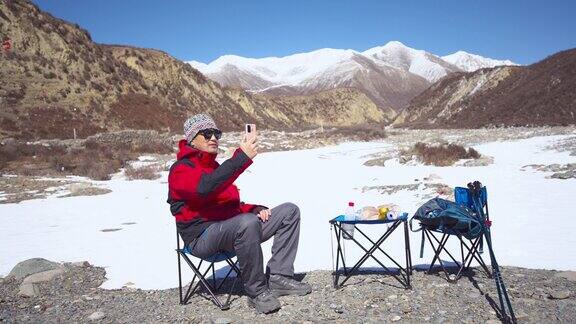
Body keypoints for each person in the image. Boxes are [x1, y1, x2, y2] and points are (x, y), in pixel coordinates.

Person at [167, 113, 311, 314]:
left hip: (231, 229)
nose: (214, 138)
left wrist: (254, 209)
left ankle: (280, 277)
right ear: (192, 139)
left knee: (289, 211)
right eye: (207, 134)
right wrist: (241, 157)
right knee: (246, 223)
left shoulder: (215, 167)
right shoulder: (181, 169)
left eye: (216, 133)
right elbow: (204, 189)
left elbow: (231, 205)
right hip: (201, 238)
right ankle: (256, 291)